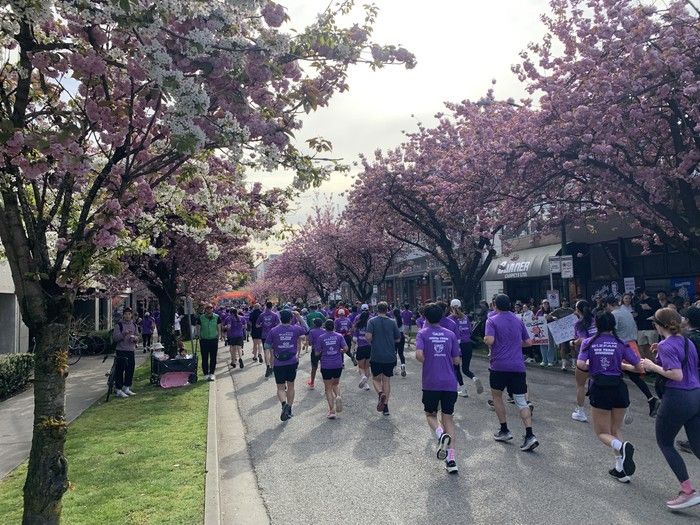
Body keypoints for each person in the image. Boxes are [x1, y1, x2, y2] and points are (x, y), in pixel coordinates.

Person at [640, 308, 700, 510]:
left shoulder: (667, 345)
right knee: (698, 445)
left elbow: (676, 374)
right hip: (695, 395)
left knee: (665, 443)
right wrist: (660, 353)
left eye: (654, 323)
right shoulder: (686, 341)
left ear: (659, 325)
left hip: (677, 396)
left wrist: (651, 364)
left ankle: (688, 491)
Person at [577, 311, 642, 483]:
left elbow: (581, 364)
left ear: (596, 325)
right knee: (615, 430)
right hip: (619, 388)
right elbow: (638, 367)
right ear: (613, 325)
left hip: (600, 388)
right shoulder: (621, 344)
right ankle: (621, 470)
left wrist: (593, 363)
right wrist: (620, 365)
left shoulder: (588, 342)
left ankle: (622, 447)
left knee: (602, 433)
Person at [484, 294, 539, 451]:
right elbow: (528, 342)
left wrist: (485, 340)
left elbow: (490, 340)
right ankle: (530, 434)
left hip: (499, 366)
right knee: (521, 400)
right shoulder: (518, 320)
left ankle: (504, 430)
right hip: (517, 365)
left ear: (495, 305)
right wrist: (514, 344)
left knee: (497, 397)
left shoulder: (492, 320)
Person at [415, 303, 461, 474]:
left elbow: (419, 355)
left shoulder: (422, 333)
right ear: (442, 316)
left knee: (431, 414)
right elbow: (457, 360)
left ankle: (441, 435)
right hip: (450, 382)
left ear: (425, 318)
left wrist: (429, 359)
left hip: (431, 382)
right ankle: (451, 461)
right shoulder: (449, 334)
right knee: (448, 417)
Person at [605, 296, 660, 421]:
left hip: (621, 346)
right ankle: (651, 399)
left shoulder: (614, 315)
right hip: (632, 344)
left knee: (616, 375)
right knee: (633, 376)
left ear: (609, 304)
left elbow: (613, 331)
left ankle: (624, 406)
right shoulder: (626, 312)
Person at [265, 309, 308, 421]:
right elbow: (307, 329)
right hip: (292, 362)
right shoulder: (296, 328)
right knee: (291, 386)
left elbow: (267, 346)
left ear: (280, 318)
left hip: (278, 362)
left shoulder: (273, 330)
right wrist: (299, 317)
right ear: (290, 318)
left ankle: (283, 404)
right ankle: (289, 408)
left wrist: (276, 347)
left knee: (280, 387)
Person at [365, 301, 401, 416]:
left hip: (376, 354)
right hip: (390, 355)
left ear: (377, 309)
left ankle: (380, 393)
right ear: (387, 310)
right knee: (386, 380)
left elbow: (368, 337)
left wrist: (373, 341)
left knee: (376, 379)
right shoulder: (392, 322)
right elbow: (398, 339)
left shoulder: (371, 321)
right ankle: (385, 407)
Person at [448, 299, 483, 397]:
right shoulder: (466, 317)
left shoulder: (450, 318)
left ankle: (463, 390)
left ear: (451, 307)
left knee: (456, 368)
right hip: (468, 344)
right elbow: (470, 331)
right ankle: (474, 378)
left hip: (457, 345)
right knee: (466, 369)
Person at [316, 319, 349, 419]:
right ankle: (338, 396)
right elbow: (346, 348)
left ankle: (332, 411)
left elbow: (317, 353)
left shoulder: (321, 337)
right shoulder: (339, 336)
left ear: (325, 327)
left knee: (328, 388)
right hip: (337, 364)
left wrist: (322, 351)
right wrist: (341, 351)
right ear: (334, 326)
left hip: (326, 365)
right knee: (335, 384)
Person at [572, 300, 596, 423]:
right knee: (597, 380)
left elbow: (581, 339)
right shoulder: (595, 320)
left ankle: (580, 411)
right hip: (598, 352)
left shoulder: (579, 323)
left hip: (584, 355)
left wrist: (573, 342)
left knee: (580, 385)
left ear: (578, 310)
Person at [112, 307, 139, 398]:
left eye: (129, 314)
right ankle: (118, 389)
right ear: (123, 315)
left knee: (130, 369)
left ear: (131, 315)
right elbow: (115, 338)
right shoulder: (119, 325)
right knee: (120, 370)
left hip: (131, 350)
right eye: (126, 314)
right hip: (121, 350)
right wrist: (124, 333)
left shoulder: (134, 325)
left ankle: (127, 387)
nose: (127, 315)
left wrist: (135, 339)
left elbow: (137, 336)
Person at [195, 304, 222, 381]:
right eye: (207, 308)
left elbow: (219, 327)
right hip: (204, 340)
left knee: (213, 357)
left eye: (210, 308)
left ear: (212, 309)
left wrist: (219, 336)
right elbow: (198, 327)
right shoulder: (201, 317)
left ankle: (212, 373)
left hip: (214, 339)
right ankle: (206, 373)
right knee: (204, 357)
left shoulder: (217, 317)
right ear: (205, 309)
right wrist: (199, 336)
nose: (209, 309)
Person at [634, 288, 661, 358]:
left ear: (643, 293)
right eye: (637, 296)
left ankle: (656, 363)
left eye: (639, 295)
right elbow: (636, 315)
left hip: (651, 327)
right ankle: (646, 364)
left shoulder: (654, 301)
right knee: (642, 347)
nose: (639, 297)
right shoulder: (637, 303)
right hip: (640, 327)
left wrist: (650, 308)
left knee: (653, 347)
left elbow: (660, 313)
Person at [257, 301, 280, 378]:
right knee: (272, 352)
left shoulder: (261, 315)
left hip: (264, 335)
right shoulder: (275, 315)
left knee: (266, 351)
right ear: (272, 306)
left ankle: (267, 366)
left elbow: (257, 325)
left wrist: (262, 325)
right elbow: (278, 325)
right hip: (273, 335)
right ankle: (272, 367)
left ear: (266, 306)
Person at [353, 305, 372, 391]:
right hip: (369, 347)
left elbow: (354, 339)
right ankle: (366, 384)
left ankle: (363, 377)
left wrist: (354, 346)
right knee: (367, 367)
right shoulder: (371, 321)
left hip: (361, 347)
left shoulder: (358, 324)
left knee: (361, 367)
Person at [535, 300, 556, 367]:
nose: (546, 305)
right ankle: (544, 360)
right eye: (544, 303)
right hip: (542, 329)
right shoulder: (539, 311)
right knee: (542, 343)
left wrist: (552, 318)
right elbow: (535, 319)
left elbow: (554, 317)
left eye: (547, 303)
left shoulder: (552, 311)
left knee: (550, 344)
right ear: (542, 304)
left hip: (550, 328)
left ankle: (550, 361)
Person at [306, 317, 325, 389]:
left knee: (314, 368)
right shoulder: (324, 331)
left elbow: (310, 343)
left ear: (315, 324)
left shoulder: (312, 331)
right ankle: (327, 383)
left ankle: (312, 383)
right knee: (324, 368)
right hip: (323, 351)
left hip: (315, 351)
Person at [392, 308, 408, 377]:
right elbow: (403, 329)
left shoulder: (392, 321)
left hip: (395, 337)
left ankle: (395, 369)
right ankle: (403, 365)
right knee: (401, 353)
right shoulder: (401, 320)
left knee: (394, 353)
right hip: (402, 336)